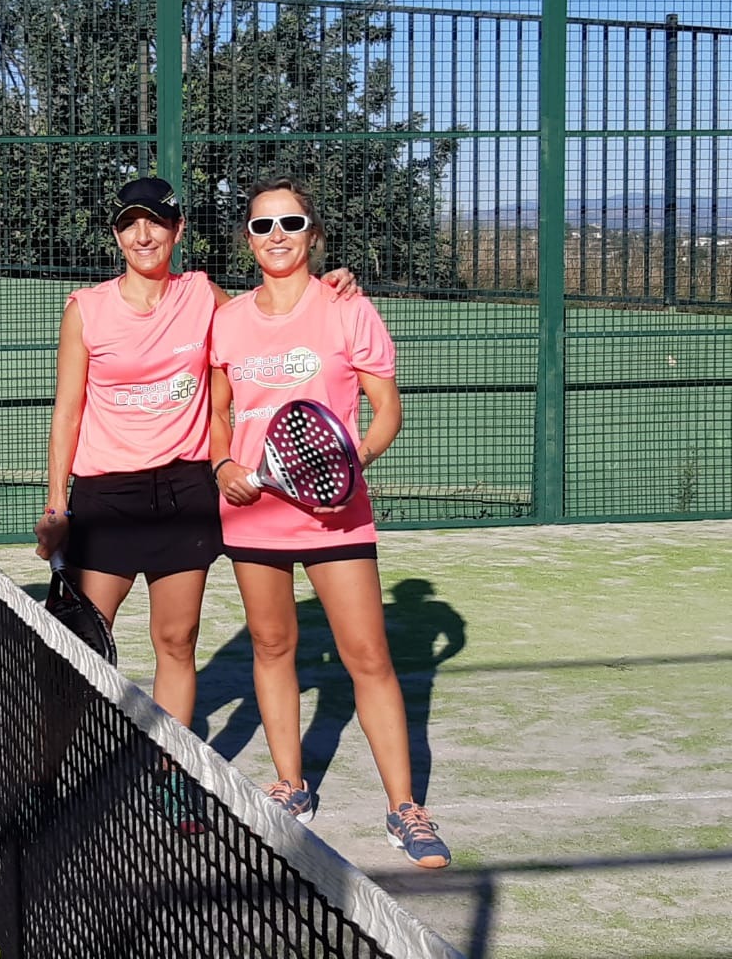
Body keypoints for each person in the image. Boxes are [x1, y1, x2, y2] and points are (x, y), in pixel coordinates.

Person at [33, 176, 360, 734]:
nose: (143, 236)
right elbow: (67, 414)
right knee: (76, 644)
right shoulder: (86, 310)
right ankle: (48, 773)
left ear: (177, 230)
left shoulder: (205, 296)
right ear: (116, 236)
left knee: (176, 640)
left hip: (184, 493)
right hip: (105, 498)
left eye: (155, 222)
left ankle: (169, 769)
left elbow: (270, 321)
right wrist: (57, 504)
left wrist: (325, 290)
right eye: (129, 225)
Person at [208, 175, 451, 869]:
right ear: (247, 239)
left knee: (367, 656)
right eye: (262, 225)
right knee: (271, 646)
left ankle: (405, 808)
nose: (276, 236)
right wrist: (223, 465)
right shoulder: (227, 319)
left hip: (335, 515)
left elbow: (386, 409)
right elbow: (218, 411)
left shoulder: (348, 308)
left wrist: (350, 463)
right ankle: (291, 786)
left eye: (290, 223)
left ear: (313, 235)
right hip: (252, 514)